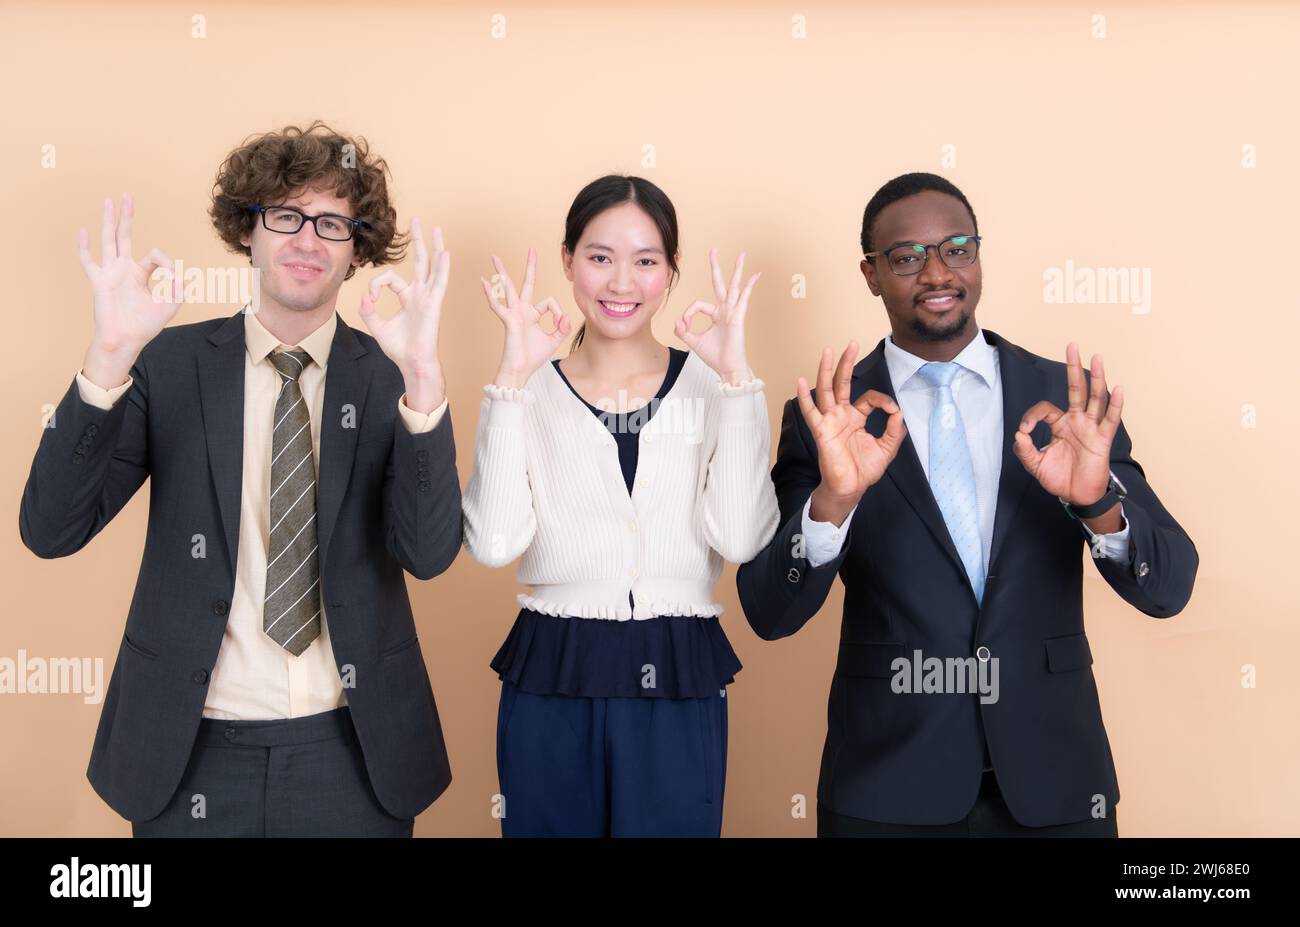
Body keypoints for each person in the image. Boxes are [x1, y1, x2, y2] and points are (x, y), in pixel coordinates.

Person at [18, 122, 462, 836]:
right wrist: (107, 358)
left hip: (353, 751)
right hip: (189, 750)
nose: (308, 240)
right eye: (285, 216)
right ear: (247, 231)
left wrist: (422, 382)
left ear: (357, 250)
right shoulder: (167, 364)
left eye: (332, 223)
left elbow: (430, 553)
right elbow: (50, 529)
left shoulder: (392, 375)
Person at [736, 172, 1198, 837]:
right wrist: (834, 500)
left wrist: (1096, 503)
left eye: (956, 247)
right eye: (906, 256)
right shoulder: (829, 416)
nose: (936, 271)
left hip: (1057, 785)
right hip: (885, 789)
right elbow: (768, 611)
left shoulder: (1067, 400)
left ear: (978, 255)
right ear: (870, 273)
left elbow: (1171, 587)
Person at [461, 174, 779, 836]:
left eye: (645, 261)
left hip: (678, 663)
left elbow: (743, 538)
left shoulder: (714, 385)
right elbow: (492, 543)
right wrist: (510, 382)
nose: (620, 283)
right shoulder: (530, 390)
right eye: (600, 257)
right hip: (554, 665)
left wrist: (738, 382)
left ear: (672, 272)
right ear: (568, 260)